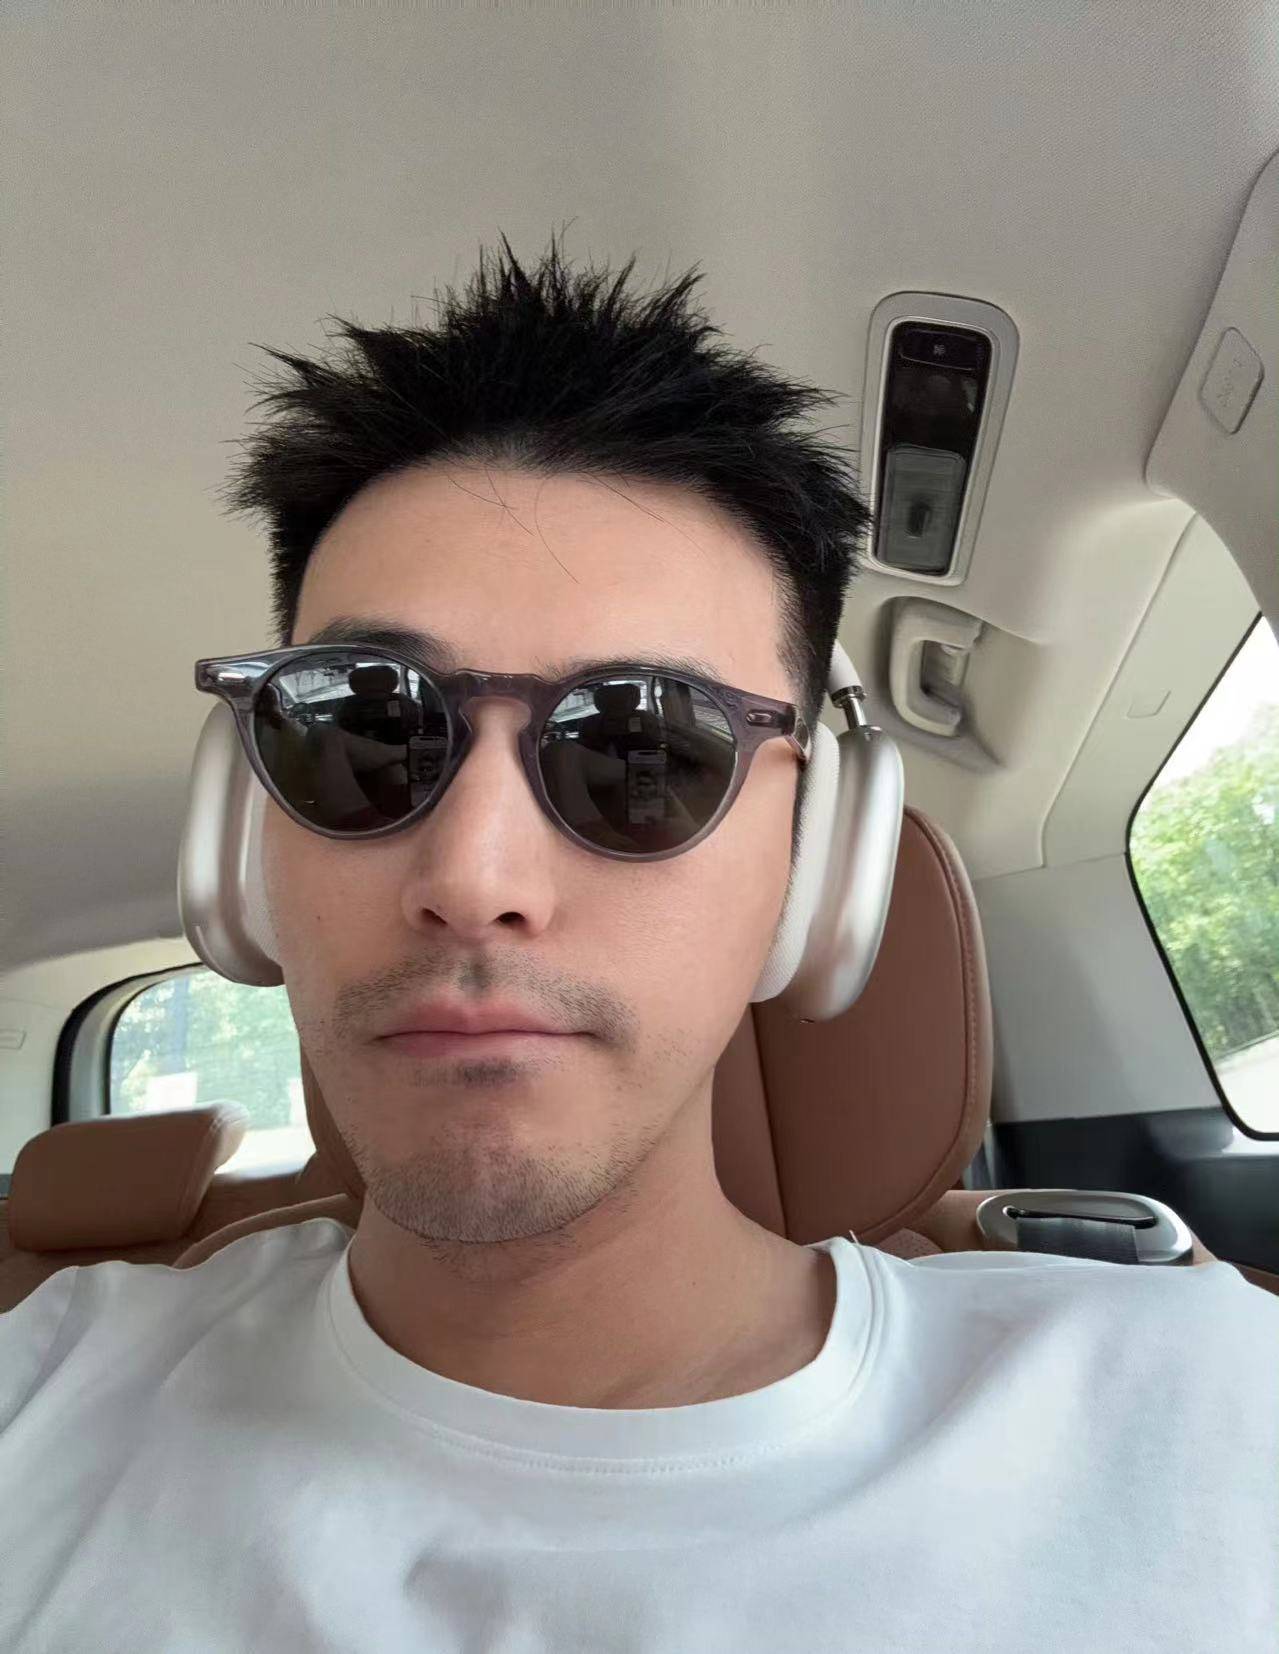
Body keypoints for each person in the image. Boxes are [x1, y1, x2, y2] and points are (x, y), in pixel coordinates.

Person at [2, 231, 1276, 1653]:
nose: (474, 877)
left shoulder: (1203, 1421)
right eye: (362, 730)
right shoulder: (40, 1392)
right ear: (243, 845)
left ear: (817, 869)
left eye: (643, 751)